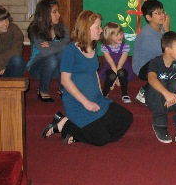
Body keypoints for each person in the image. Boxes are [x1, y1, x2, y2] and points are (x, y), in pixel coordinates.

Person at [42, 10, 133, 146]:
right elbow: (65, 81)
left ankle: (80, 133)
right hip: (78, 103)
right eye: (97, 27)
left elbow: (94, 72)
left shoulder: (93, 47)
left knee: (126, 118)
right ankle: (65, 124)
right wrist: (85, 102)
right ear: (86, 28)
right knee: (101, 139)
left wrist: (101, 95)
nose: (101, 30)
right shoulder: (70, 50)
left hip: (96, 99)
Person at [132, 0, 176, 104]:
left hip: (159, 62)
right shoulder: (147, 33)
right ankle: (145, 91)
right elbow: (168, 52)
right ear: (148, 17)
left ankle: (173, 90)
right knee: (170, 65)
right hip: (144, 68)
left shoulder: (160, 28)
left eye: (162, 12)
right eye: (157, 13)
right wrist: (167, 29)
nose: (162, 15)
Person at [146, 31, 176, 144]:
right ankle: (160, 123)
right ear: (168, 49)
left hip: (174, 100)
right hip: (157, 100)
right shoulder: (155, 62)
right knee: (158, 82)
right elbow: (151, 79)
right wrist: (166, 94)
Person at [27, 0, 69, 102]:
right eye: (55, 12)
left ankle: (63, 89)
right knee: (51, 59)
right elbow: (46, 52)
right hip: (38, 69)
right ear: (45, 14)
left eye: (58, 11)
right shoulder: (35, 29)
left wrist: (51, 44)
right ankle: (43, 91)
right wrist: (62, 43)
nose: (58, 14)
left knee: (65, 53)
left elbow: (69, 44)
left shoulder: (62, 27)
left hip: (56, 71)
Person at [0, 6, 26, 101]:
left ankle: (14, 93)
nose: (5, 23)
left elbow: (16, 50)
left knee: (17, 60)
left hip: (8, 70)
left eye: (6, 19)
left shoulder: (14, 29)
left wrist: (2, 63)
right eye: (1, 21)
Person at [98, 22, 134, 103]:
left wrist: (118, 78)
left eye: (121, 33)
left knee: (121, 72)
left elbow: (120, 64)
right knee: (111, 75)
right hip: (110, 68)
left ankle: (125, 94)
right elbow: (111, 63)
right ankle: (104, 94)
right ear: (109, 36)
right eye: (116, 35)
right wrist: (114, 81)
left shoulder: (125, 46)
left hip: (122, 68)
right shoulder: (105, 47)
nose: (120, 36)